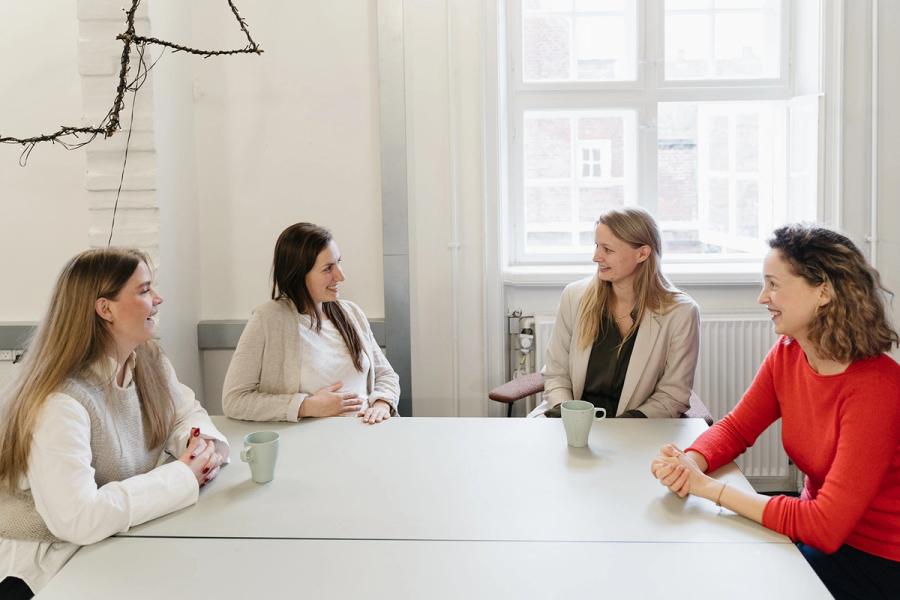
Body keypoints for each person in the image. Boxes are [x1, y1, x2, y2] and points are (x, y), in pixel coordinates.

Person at [650, 224, 900, 599]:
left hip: (877, 559)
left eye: (773, 284)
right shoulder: (788, 353)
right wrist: (689, 463)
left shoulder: (877, 388)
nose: (762, 297)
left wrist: (710, 490)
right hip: (817, 533)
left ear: (824, 292)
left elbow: (826, 526)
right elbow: (736, 428)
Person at [0, 248, 228, 599]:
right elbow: (78, 518)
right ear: (105, 309)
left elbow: (188, 412)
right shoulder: (61, 402)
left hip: (111, 542)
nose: (158, 298)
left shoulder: (147, 359)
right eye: (144, 290)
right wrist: (183, 475)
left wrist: (195, 445)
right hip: (45, 567)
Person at [530, 207, 700, 418]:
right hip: (567, 422)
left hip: (637, 428)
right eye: (596, 246)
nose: (596, 257)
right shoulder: (574, 296)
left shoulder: (681, 313)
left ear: (642, 253)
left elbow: (672, 395)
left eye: (607, 250)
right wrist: (573, 417)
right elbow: (556, 374)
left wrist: (622, 428)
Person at [223, 222, 400, 424]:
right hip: (309, 444)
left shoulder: (351, 313)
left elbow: (385, 374)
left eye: (339, 263)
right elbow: (234, 400)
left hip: (363, 436)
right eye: (328, 269)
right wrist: (306, 406)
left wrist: (381, 404)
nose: (340, 276)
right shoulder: (267, 320)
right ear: (298, 275)